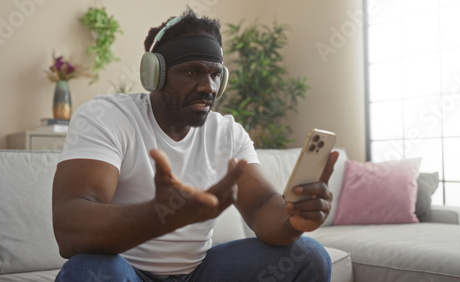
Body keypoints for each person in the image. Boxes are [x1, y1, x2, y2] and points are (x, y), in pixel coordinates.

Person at [52, 8, 339, 282]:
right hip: (126, 272)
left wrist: (294, 219)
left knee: (309, 256)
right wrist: (160, 217)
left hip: (201, 273)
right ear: (156, 75)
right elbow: (69, 229)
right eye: (192, 72)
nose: (209, 87)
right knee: (89, 271)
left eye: (215, 74)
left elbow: (263, 206)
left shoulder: (227, 133)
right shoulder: (108, 117)